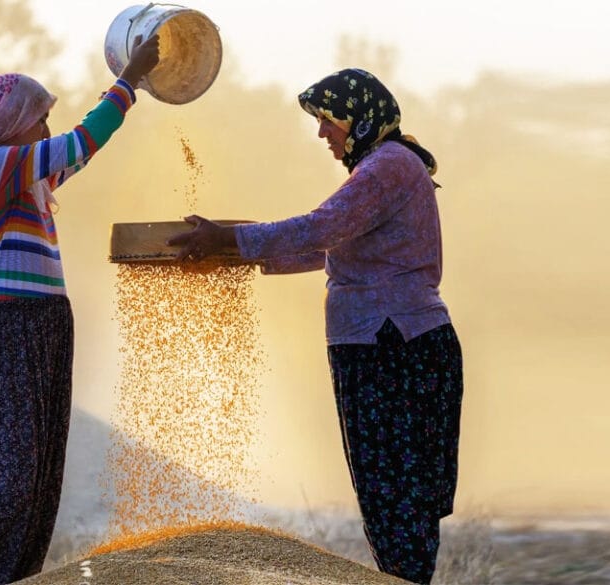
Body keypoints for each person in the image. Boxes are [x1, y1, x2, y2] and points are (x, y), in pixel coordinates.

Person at [168, 68, 463, 585]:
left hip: (393, 344)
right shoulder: (381, 168)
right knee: (388, 498)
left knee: (396, 498)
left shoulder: (387, 167)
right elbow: (328, 247)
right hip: (384, 343)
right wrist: (233, 250)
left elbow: (321, 228)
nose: (322, 133)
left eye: (329, 120)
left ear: (360, 118)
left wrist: (232, 241)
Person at [0, 35, 159, 584]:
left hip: (43, 329)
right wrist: (128, 82)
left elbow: (77, 150)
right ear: (8, 125)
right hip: (10, 328)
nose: (44, 130)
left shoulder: (26, 177)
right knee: (6, 479)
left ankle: (16, 576)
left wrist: (131, 88)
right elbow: (79, 142)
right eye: (37, 119)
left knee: (36, 476)